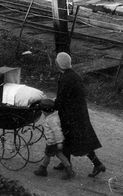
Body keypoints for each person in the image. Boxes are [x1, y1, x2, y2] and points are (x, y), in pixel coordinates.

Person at [35, 51, 106, 179]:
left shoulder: (64, 79)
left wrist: (50, 106)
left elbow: (61, 99)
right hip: (79, 113)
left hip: (70, 116)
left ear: (58, 64)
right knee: (73, 139)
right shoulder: (74, 75)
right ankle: (66, 163)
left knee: (78, 142)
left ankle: (97, 164)